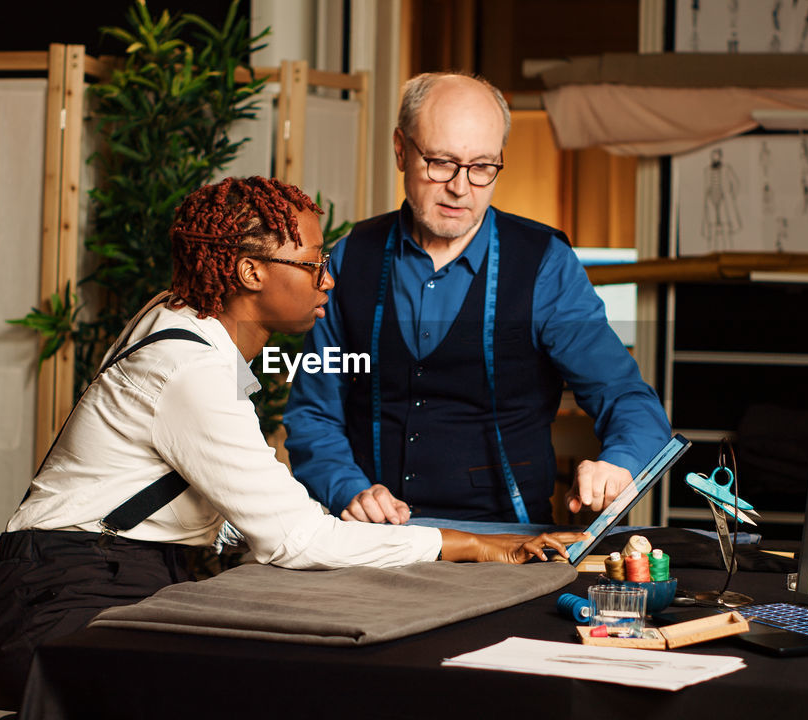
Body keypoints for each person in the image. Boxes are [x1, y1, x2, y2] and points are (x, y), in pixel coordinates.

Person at [0, 176, 582, 703]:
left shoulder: (185, 318)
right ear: (248, 271)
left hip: (121, 579)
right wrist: (471, 546)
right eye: (314, 264)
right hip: (62, 601)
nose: (328, 282)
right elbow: (295, 539)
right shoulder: (194, 370)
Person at [283, 73, 671, 526]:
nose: (461, 188)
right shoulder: (352, 257)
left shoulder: (544, 264)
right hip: (375, 540)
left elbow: (626, 397)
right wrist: (348, 489)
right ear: (400, 149)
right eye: (442, 162)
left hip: (507, 542)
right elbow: (313, 409)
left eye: (483, 166)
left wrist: (618, 465)